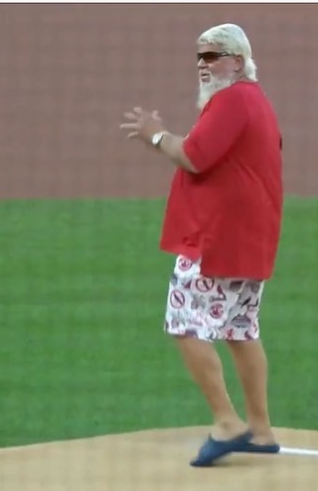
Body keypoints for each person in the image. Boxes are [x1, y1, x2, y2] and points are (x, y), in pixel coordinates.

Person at [119, 23, 284, 467]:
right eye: (199, 57)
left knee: (184, 324)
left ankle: (227, 422)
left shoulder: (232, 101)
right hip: (248, 239)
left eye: (212, 56)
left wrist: (156, 135)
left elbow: (194, 155)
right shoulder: (255, 101)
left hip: (216, 242)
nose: (202, 65)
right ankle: (261, 429)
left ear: (237, 61)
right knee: (240, 330)